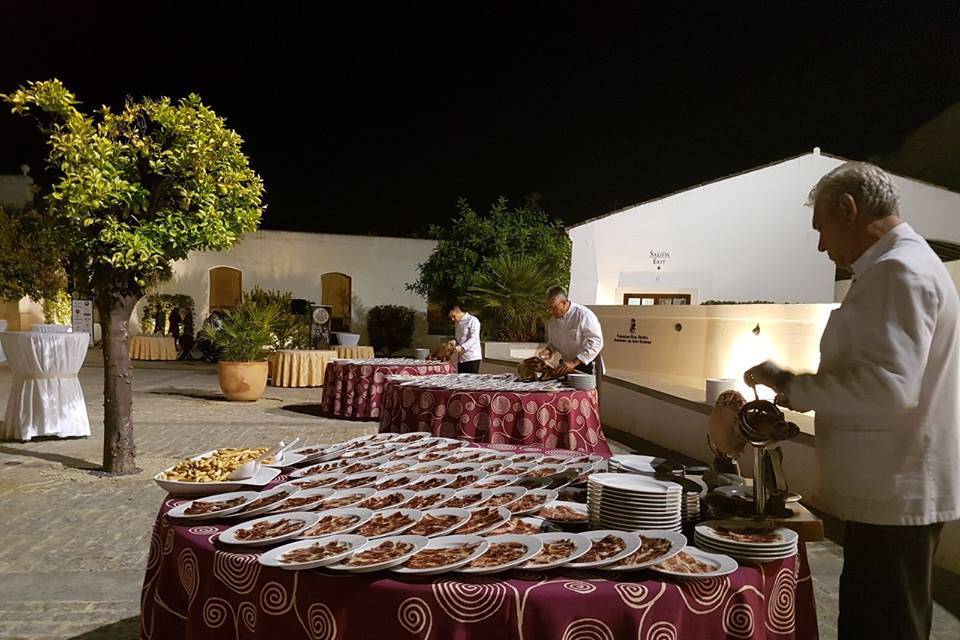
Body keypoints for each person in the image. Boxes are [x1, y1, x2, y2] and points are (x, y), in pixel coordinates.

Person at [744, 162, 960, 640]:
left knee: (882, 626)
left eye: (822, 229)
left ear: (849, 209)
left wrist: (791, 384)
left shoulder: (899, 269)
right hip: (889, 491)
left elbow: (889, 388)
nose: (823, 247)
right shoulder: (898, 266)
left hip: (894, 491)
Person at [540, 286, 604, 384]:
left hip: (586, 365)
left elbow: (597, 341)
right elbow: (553, 341)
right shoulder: (553, 320)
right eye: (548, 308)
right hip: (565, 365)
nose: (551, 311)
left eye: (553, 307)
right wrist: (549, 350)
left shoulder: (583, 315)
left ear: (564, 302)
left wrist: (574, 363)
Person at [446, 303, 482, 373]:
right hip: (461, 358)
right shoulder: (457, 323)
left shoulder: (473, 320)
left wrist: (462, 347)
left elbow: (474, 338)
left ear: (458, 312)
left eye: (453, 316)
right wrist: (454, 341)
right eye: (451, 317)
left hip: (472, 357)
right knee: (461, 381)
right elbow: (459, 338)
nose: (452, 319)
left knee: (471, 382)